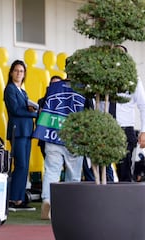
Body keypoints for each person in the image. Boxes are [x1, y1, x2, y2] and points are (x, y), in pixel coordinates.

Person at [82, 45, 145, 182]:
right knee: (102, 170)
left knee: (124, 171)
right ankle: (104, 201)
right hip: (103, 129)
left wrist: (144, 131)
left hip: (124, 130)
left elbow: (143, 105)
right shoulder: (100, 79)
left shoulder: (133, 80)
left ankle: (125, 202)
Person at [32, 76, 87, 220]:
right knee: (73, 175)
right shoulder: (84, 90)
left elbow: (43, 107)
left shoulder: (54, 87)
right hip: (75, 137)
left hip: (53, 135)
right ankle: (69, 205)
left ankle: (47, 200)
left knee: (51, 171)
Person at [3, 60, 37, 210]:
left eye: (21, 71)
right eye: (16, 70)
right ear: (11, 72)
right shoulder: (10, 89)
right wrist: (35, 113)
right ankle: (13, 198)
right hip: (17, 132)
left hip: (27, 132)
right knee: (20, 165)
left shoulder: (23, 91)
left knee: (24, 166)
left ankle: (19, 197)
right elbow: (15, 110)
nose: (19, 73)